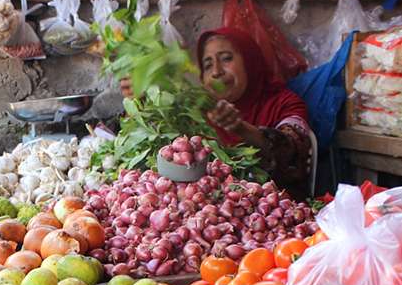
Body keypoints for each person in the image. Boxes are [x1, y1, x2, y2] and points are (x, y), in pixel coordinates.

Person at [121, 27, 312, 199]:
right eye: (208, 64)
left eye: (226, 58)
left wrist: (241, 129)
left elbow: (294, 152)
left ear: (250, 61)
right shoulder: (193, 115)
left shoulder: (285, 103)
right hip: (204, 216)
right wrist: (136, 103)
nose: (217, 72)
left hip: (275, 213)